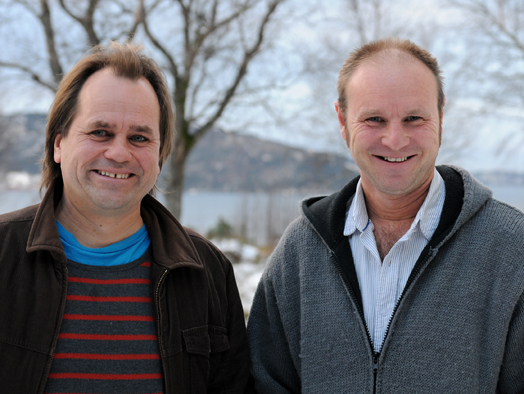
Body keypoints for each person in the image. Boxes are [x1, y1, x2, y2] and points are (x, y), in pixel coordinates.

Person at [247, 38, 524, 393]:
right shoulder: (300, 253)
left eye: (414, 118)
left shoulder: (511, 249)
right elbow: (265, 383)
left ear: (440, 117)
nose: (395, 140)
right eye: (375, 119)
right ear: (342, 120)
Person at [0, 42, 252, 393]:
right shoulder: (3, 255)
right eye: (100, 132)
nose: (119, 153)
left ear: (159, 156)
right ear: (58, 144)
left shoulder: (207, 272)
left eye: (139, 137)